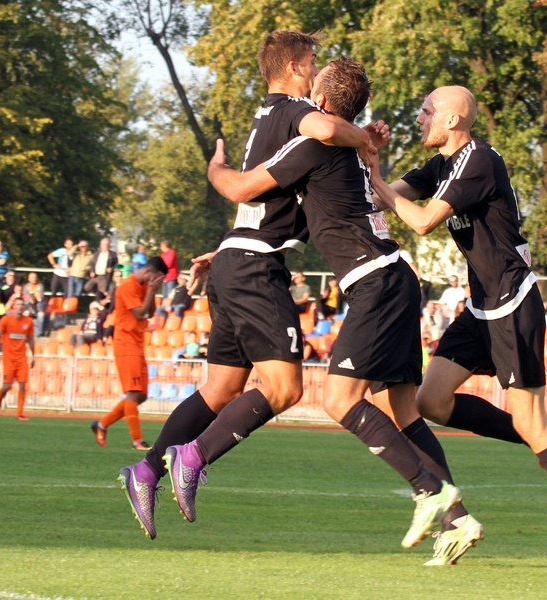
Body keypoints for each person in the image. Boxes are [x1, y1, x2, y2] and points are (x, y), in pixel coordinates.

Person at [190, 57, 469, 563]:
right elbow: (319, 211)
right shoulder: (352, 149)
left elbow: (238, 189)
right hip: (398, 276)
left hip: (376, 282)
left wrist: (215, 164)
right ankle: (458, 519)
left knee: (339, 401)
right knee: (403, 413)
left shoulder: (316, 143)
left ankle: (431, 490)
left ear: (319, 102)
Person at [114, 31, 387, 544]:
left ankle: (146, 470)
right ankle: (190, 458)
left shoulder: (271, 116)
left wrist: (223, 250)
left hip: (237, 259)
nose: (313, 73)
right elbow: (326, 127)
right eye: (309, 64)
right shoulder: (293, 110)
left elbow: (286, 205)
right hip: (255, 268)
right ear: (291, 69)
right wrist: (364, 135)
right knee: (284, 387)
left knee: (220, 389)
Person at [367, 85, 547, 568]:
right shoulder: (441, 163)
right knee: (430, 401)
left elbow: (420, 222)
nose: (420, 119)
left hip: (512, 305)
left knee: (529, 418)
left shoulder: (477, 161)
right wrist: (357, 164)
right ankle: (544, 438)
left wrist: (372, 176)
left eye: (426, 112)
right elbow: (387, 199)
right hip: (481, 307)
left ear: (454, 119)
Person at [90, 257, 166, 450]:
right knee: (132, 393)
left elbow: (149, 313)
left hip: (137, 342)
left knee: (141, 395)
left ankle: (102, 424)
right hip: (125, 344)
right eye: (157, 279)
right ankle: (137, 440)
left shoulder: (143, 286)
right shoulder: (127, 286)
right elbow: (139, 314)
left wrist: (152, 292)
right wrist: (151, 291)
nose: (157, 283)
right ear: (149, 273)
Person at [0, 297, 36, 420]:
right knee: (6, 386)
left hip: (22, 358)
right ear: (14, 306)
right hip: (9, 359)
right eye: (17, 304)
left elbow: (31, 339)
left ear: (24, 306)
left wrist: (33, 356)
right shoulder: (6, 320)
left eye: (22, 304)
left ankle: (19, 414)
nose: (20, 306)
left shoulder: (28, 322)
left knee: (22, 385)